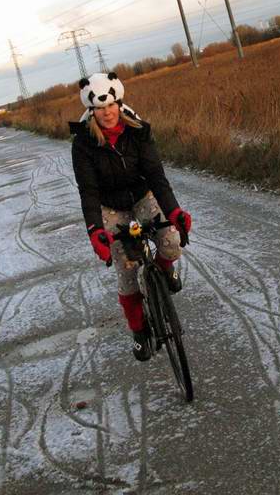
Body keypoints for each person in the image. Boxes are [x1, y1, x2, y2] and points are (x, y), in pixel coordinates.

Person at [69, 72, 192, 362]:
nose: (107, 112)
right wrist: (94, 230)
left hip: (142, 195)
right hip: (110, 207)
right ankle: (139, 332)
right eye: (100, 108)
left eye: (111, 105)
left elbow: (156, 177)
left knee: (170, 241)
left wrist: (173, 210)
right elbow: (88, 191)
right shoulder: (83, 144)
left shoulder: (138, 131)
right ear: (92, 111)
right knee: (127, 273)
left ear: (119, 104)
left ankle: (165, 268)